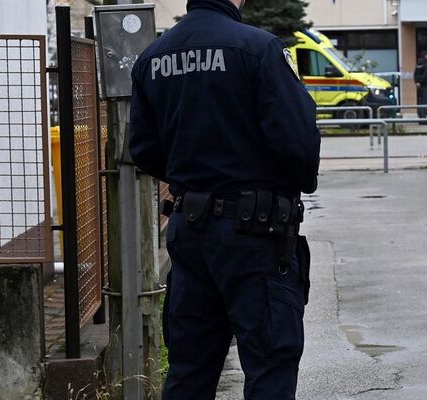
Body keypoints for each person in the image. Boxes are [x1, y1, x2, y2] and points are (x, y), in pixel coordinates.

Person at [127, 0, 321, 398]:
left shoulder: (153, 57)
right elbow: (299, 143)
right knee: (270, 362)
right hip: (255, 233)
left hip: (189, 231)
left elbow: (144, 150)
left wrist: (195, 179)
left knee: (189, 367)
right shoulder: (259, 48)